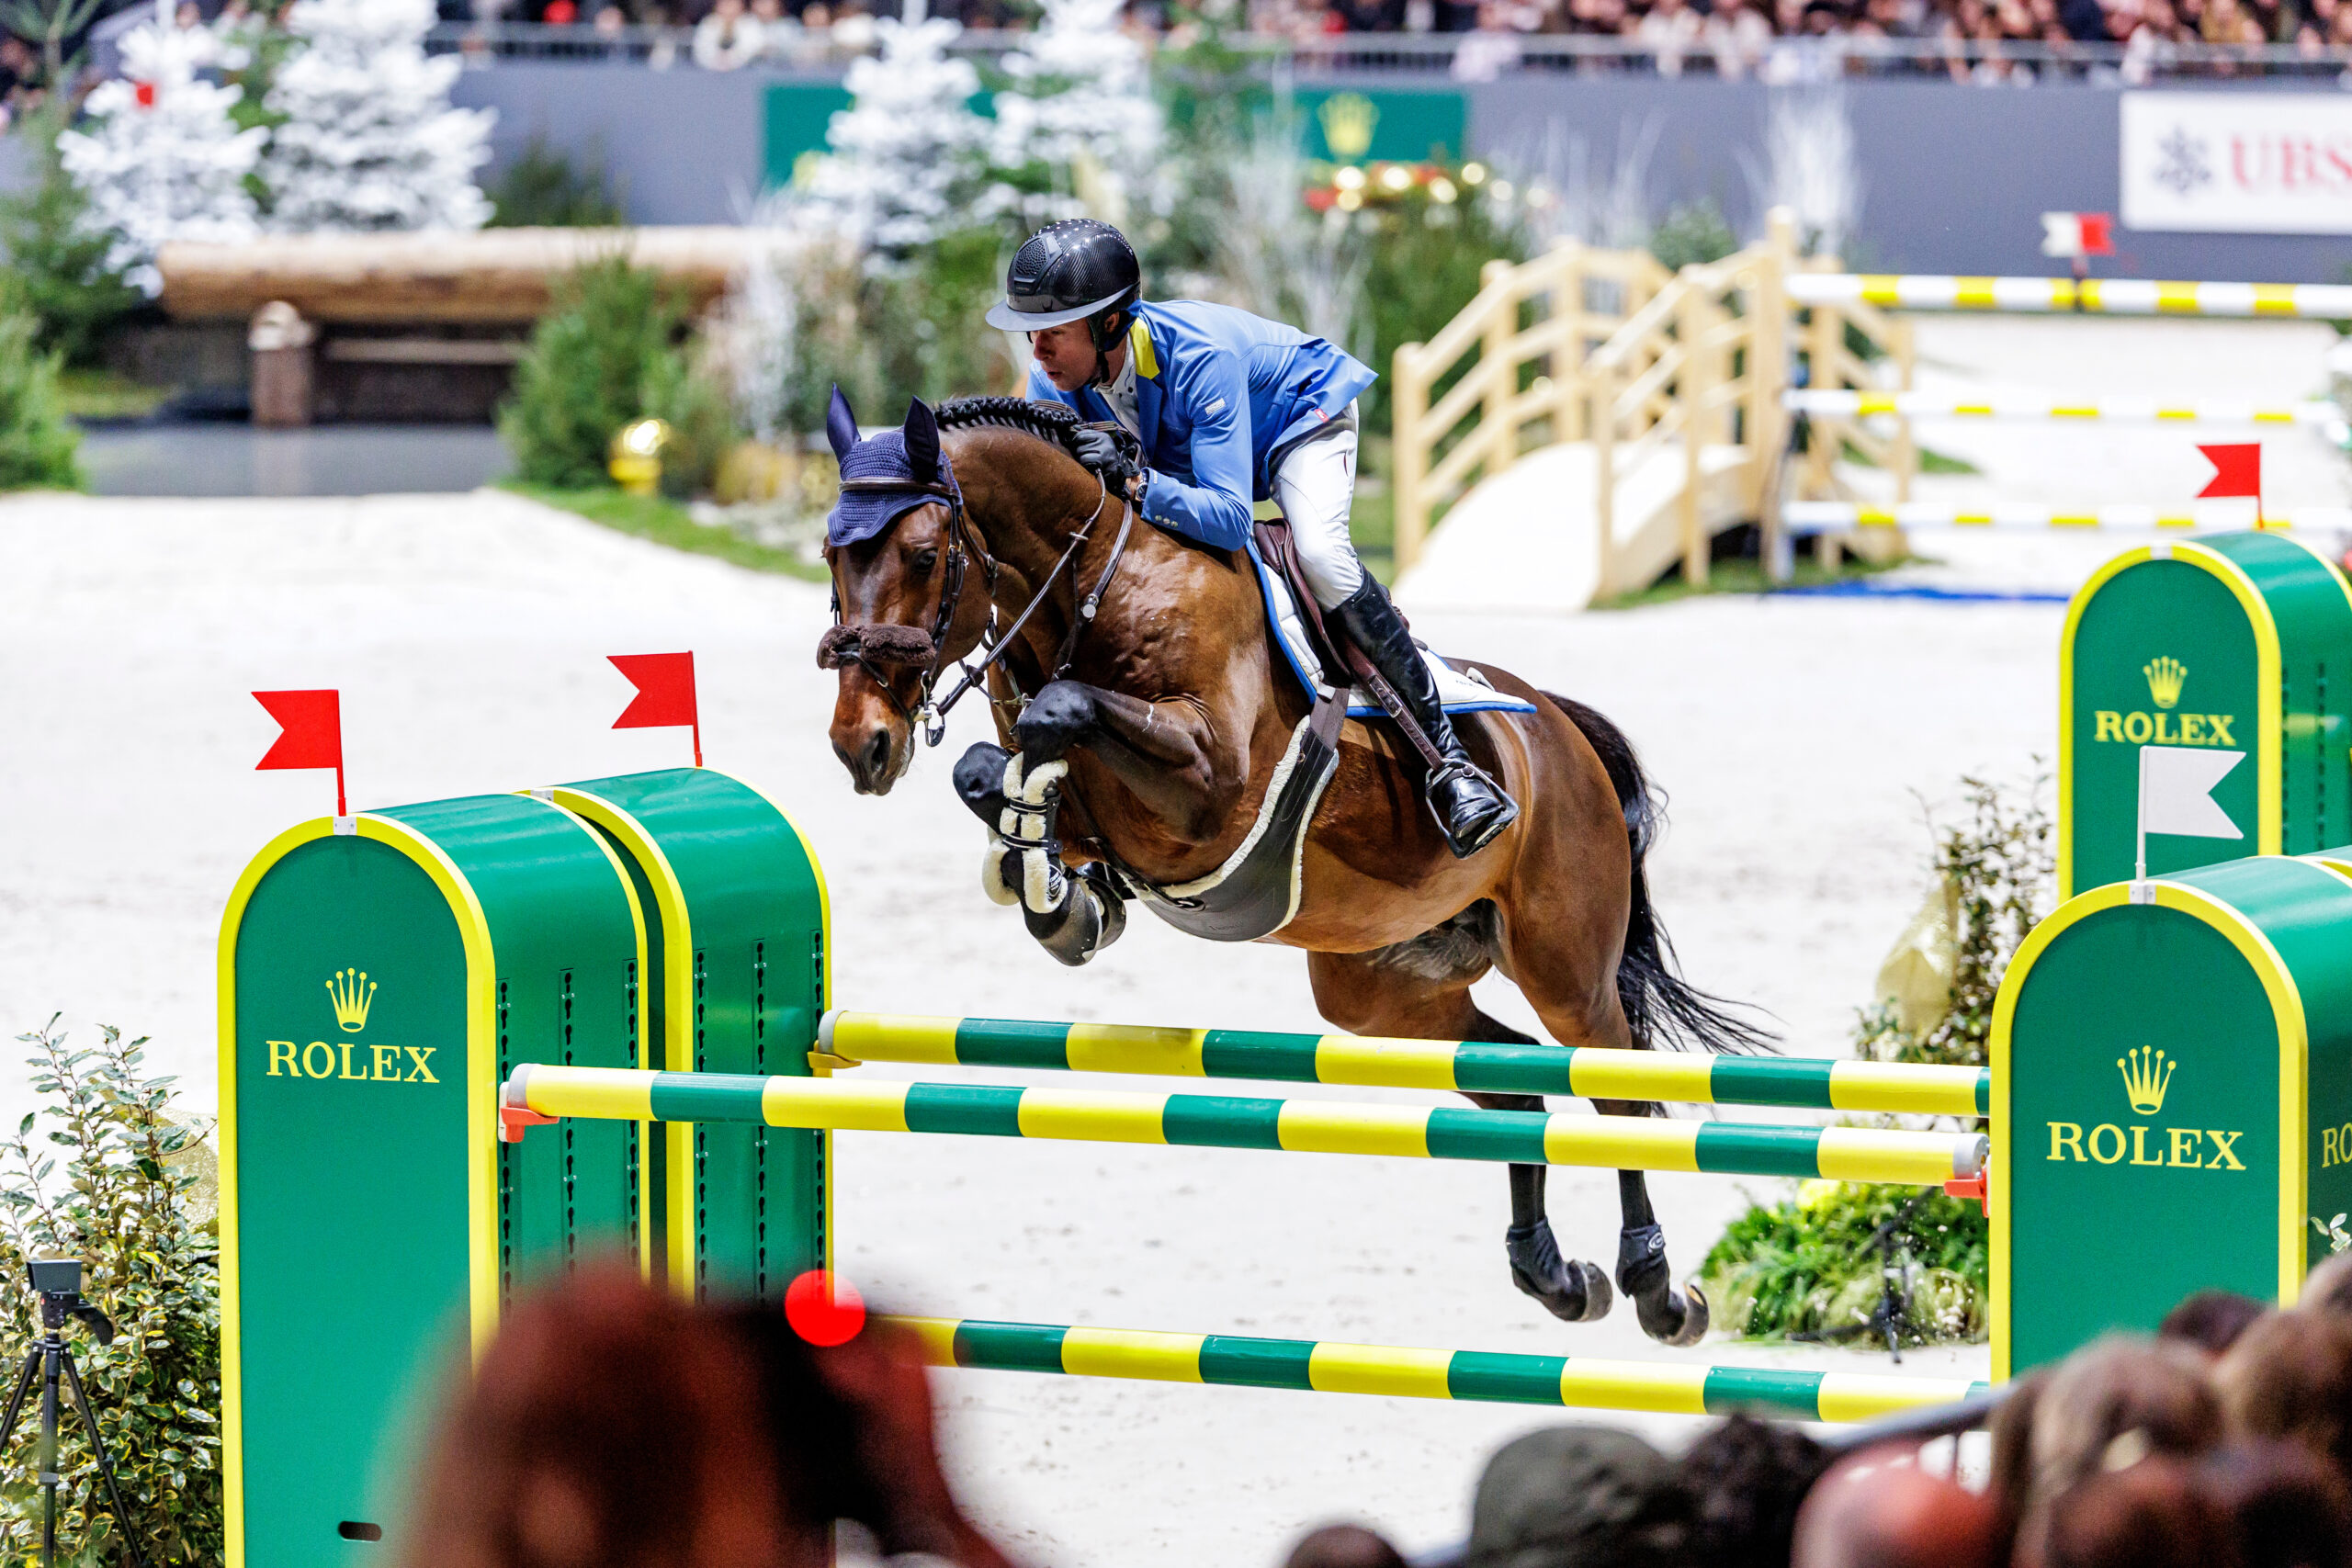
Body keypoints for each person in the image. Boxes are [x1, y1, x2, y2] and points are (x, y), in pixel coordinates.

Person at [985, 219, 1519, 859]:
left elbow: (1230, 517)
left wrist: (1136, 480)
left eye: (1053, 332)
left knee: (1321, 554)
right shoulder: (1053, 380)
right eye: (1031, 332)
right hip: (1193, 458)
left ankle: (1450, 763)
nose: (1037, 350)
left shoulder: (1199, 357)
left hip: (1299, 421)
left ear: (1110, 325)